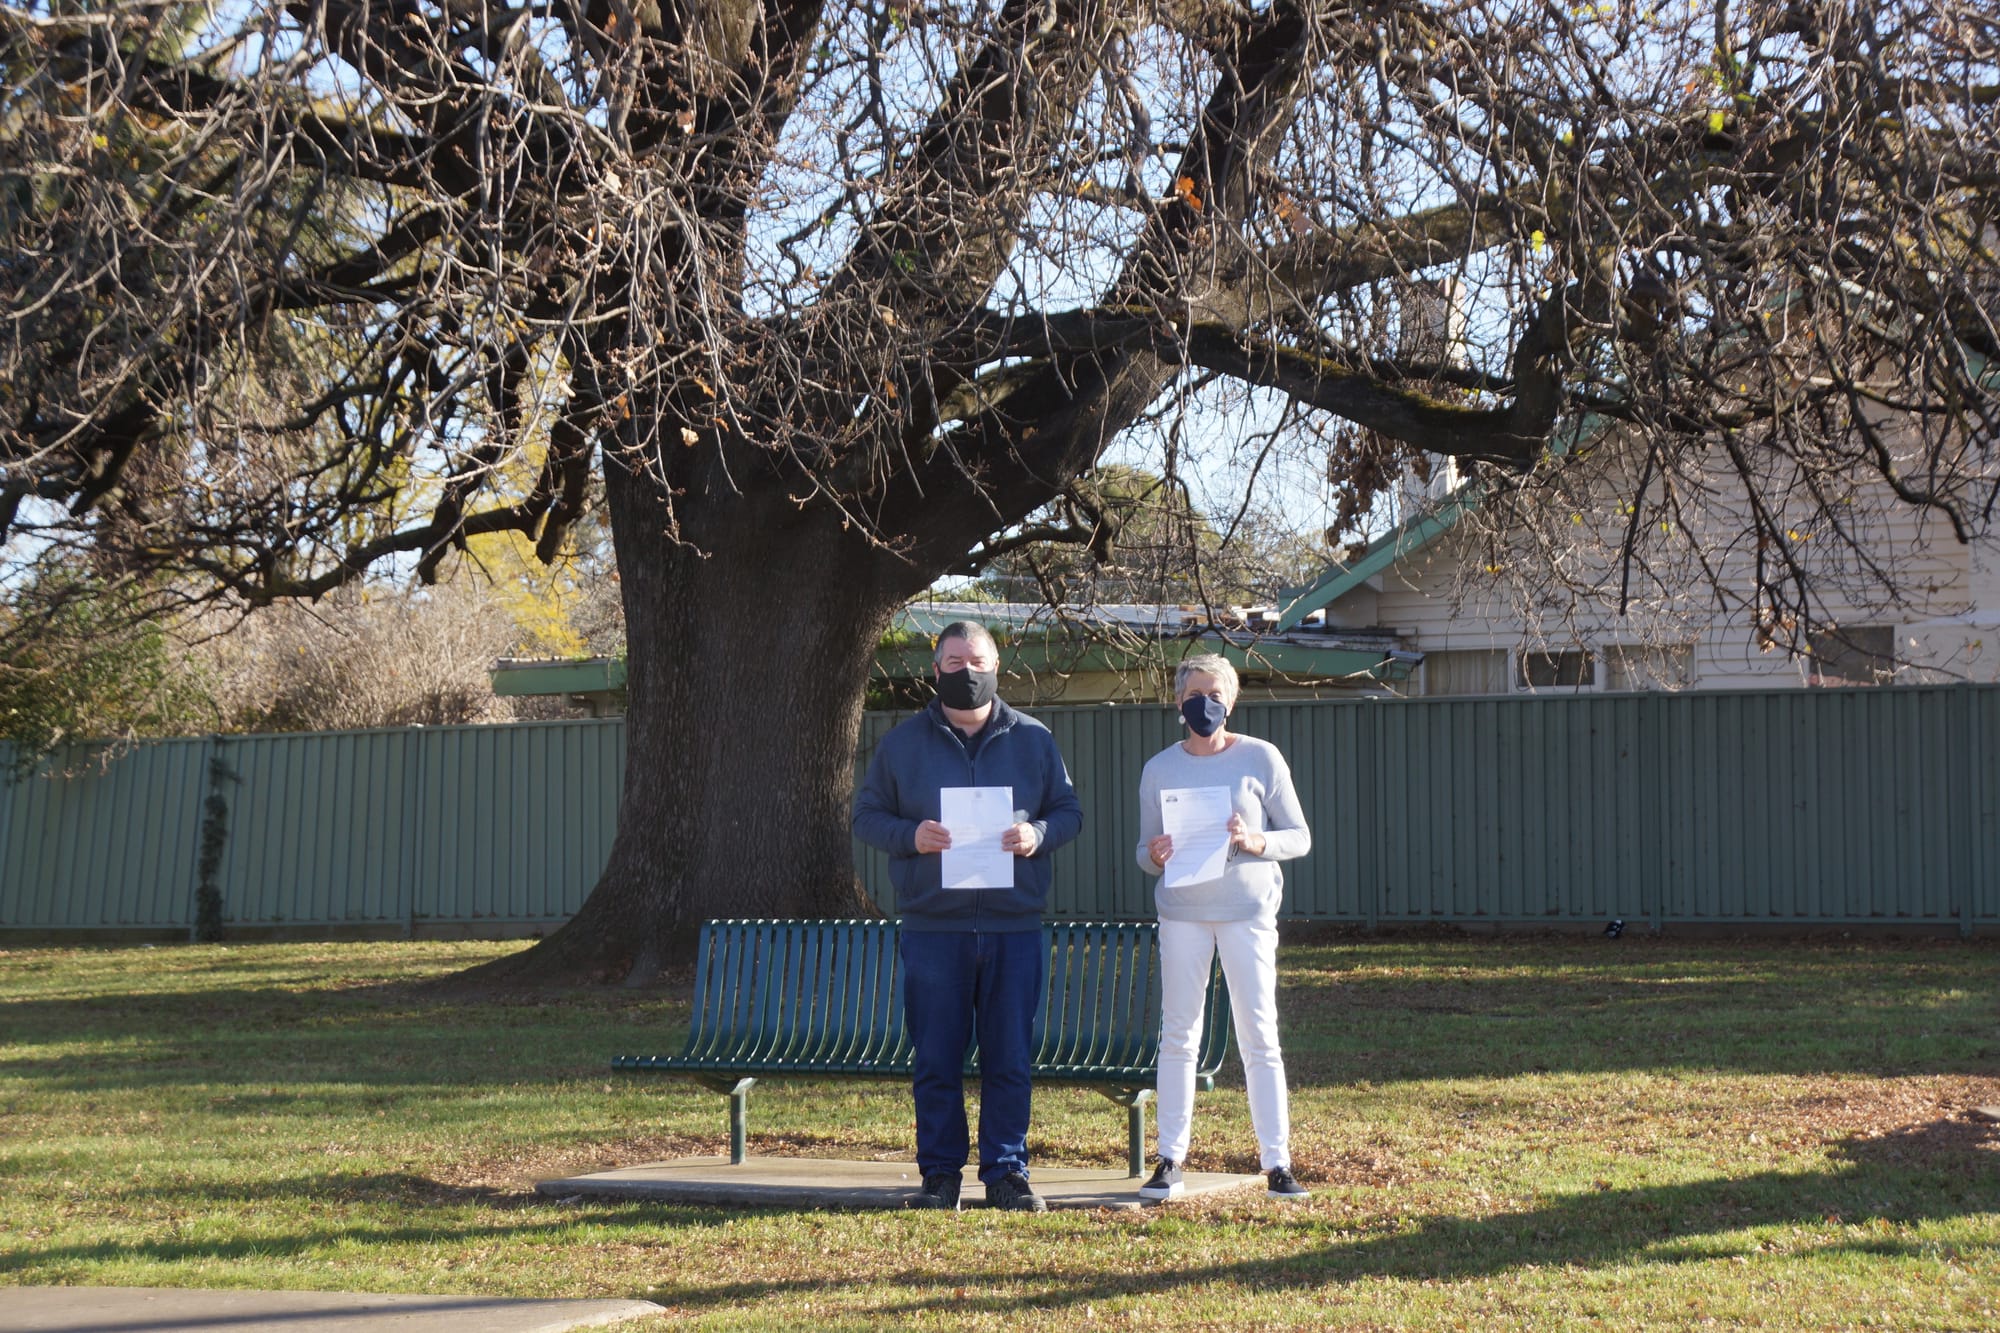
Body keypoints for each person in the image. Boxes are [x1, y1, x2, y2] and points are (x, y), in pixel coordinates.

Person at [852, 621, 1083, 1212]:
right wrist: (912, 836)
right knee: (936, 1057)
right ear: (935, 670)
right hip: (935, 927)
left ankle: (1006, 1173)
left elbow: (1068, 812)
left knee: (1010, 1056)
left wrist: (1037, 833)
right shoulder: (902, 744)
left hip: (1013, 925)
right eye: (953, 662)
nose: (966, 672)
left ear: (997, 664)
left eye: (976, 661)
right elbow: (867, 817)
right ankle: (939, 1176)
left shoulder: (1034, 740)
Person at [1134, 653, 1312, 1202]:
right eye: (1194, 694)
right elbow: (1144, 851)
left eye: (1215, 695)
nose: (1203, 704)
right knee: (1179, 1034)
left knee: (1260, 1035)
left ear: (1231, 702)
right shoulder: (1160, 768)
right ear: (1178, 701)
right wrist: (1156, 854)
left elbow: (1299, 836)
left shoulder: (1261, 758)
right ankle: (1169, 1160)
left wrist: (1256, 841)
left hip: (1247, 914)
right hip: (1183, 914)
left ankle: (1277, 1164)